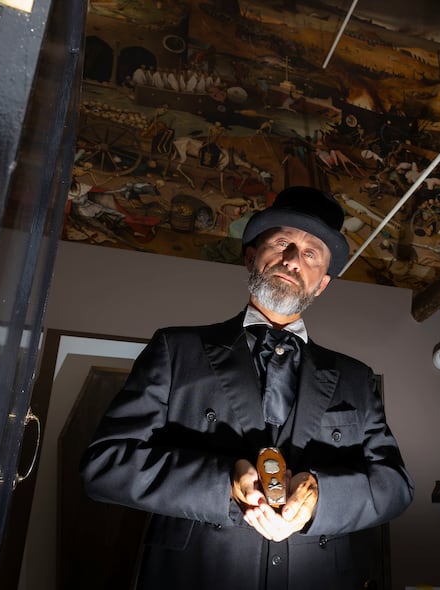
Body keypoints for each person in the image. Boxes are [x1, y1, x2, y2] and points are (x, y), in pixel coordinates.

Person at [80, 186, 414, 590]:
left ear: (320, 284)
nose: (293, 260)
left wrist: (321, 495)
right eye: (282, 243)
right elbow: (104, 468)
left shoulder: (357, 379)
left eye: (311, 254)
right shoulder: (176, 350)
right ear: (252, 257)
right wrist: (222, 483)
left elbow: (395, 487)